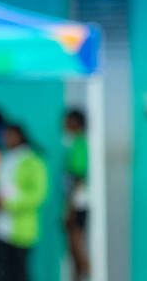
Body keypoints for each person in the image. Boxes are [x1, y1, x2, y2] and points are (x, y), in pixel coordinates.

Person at [0, 124, 46, 281]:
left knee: (19, 272)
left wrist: (9, 203)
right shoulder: (3, 158)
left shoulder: (33, 161)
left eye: (10, 135)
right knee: (2, 272)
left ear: (20, 136)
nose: (6, 139)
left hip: (21, 228)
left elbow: (37, 194)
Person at [60, 110, 90, 281]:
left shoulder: (79, 143)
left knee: (77, 247)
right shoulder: (74, 143)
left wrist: (69, 206)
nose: (64, 125)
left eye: (68, 121)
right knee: (73, 248)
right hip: (74, 201)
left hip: (78, 202)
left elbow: (77, 176)